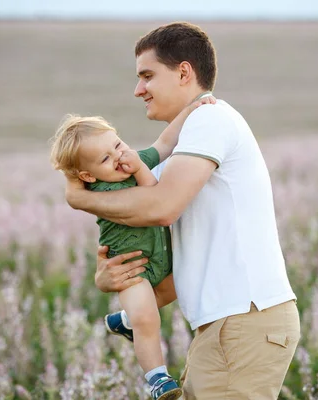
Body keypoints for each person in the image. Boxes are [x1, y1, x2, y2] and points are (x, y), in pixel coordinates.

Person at [65, 22, 300, 399]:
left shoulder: (211, 119)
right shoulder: (184, 146)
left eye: (147, 76)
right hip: (230, 323)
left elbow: (161, 209)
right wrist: (112, 279)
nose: (138, 90)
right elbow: (177, 254)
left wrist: (80, 199)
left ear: (184, 72)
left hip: (243, 319)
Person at [50, 96, 214, 400]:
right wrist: (73, 181)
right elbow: (149, 193)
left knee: (183, 286)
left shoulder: (132, 160)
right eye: (105, 159)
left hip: (163, 262)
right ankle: (158, 380)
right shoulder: (96, 189)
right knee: (148, 319)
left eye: (118, 145)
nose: (118, 156)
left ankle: (125, 322)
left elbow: (165, 142)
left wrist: (190, 109)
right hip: (130, 270)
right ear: (87, 176)